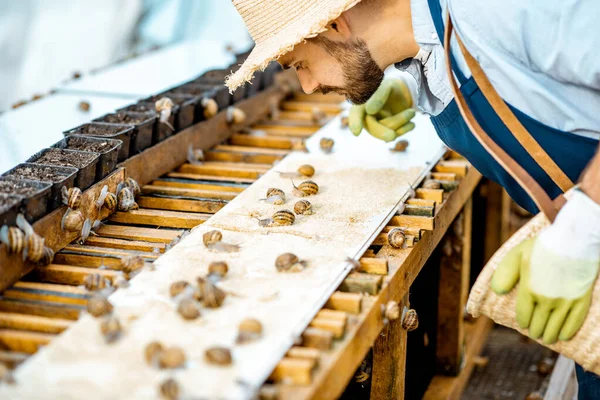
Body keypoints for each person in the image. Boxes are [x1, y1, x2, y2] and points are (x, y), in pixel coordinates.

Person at [226, 0, 600, 396]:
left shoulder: (498, 9)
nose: (308, 86)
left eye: (299, 64)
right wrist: (410, 87)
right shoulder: (435, 37)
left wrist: (582, 226)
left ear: (335, 24)